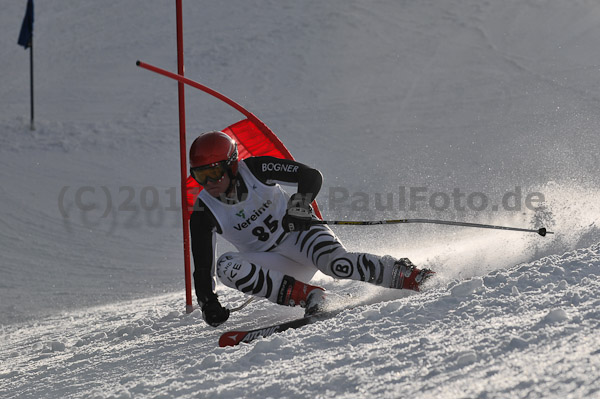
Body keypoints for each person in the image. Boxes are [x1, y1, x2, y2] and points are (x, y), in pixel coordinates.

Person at [189, 131, 434, 327]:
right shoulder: (204, 211)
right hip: (274, 262)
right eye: (201, 176)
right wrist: (207, 302)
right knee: (226, 266)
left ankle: (408, 274)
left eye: (214, 173)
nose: (209, 183)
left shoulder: (255, 169)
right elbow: (202, 267)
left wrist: (298, 205)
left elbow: (310, 176)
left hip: (300, 235)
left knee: (338, 265)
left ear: (232, 166)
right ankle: (312, 296)